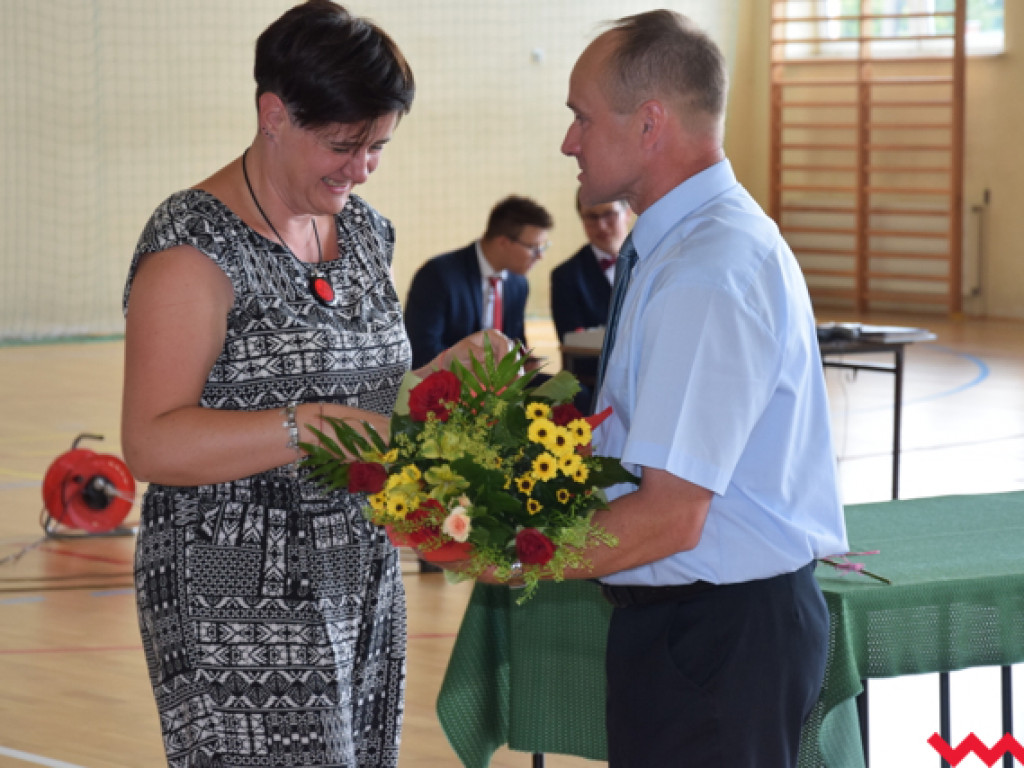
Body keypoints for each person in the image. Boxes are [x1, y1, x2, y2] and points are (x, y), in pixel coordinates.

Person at [120, 3, 506, 766]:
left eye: (378, 146)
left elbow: (366, 399)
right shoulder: (194, 249)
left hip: (356, 568)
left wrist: (440, 378)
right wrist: (303, 426)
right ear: (274, 114)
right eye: (344, 144)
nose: (361, 167)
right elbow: (151, 441)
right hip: (235, 593)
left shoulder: (364, 232)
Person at [480, 11, 849, 767]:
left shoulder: (708, 270)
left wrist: (504, 553)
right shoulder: (685, 245)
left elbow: (670, 519)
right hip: (700, 627)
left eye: (582, 117)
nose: (568, 141)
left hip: (716, 634)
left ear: (650, 124)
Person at [404, 195, 553, 371]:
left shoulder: (518, 284)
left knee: (576, 393)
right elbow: (423, 351)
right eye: (533, 248)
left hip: (501, 383)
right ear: (503, 242)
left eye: (543, 247)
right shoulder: (438, 275)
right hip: (453, 382)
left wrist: (525, 361)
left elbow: (516, 342)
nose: (540, 256)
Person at [549, 191, 631, 413]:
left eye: (608, 214)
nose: (601, 226)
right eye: (591, 217)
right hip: (596, 385)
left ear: (628, 212)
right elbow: (574, 344)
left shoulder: (654, 262)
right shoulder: (566, 275)